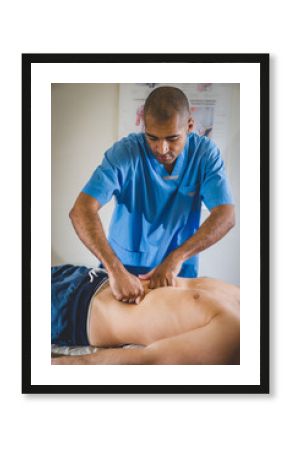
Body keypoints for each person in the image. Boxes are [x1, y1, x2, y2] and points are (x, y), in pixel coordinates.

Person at [69, 86, 235, 305]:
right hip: (124, 271)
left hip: (177, 272)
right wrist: (115, 270)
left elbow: (226, 215)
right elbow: (81, 211)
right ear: (144, 127)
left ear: (190, 126)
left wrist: (177, 258)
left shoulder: (205, 155)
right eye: (152, 138)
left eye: (172, 138)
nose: (162, 148)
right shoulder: (125, 153)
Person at [51, 265, 240, 365]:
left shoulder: (236, 335)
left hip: (73, 310)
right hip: (90, 276)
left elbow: (148, 360)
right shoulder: (238, 293)